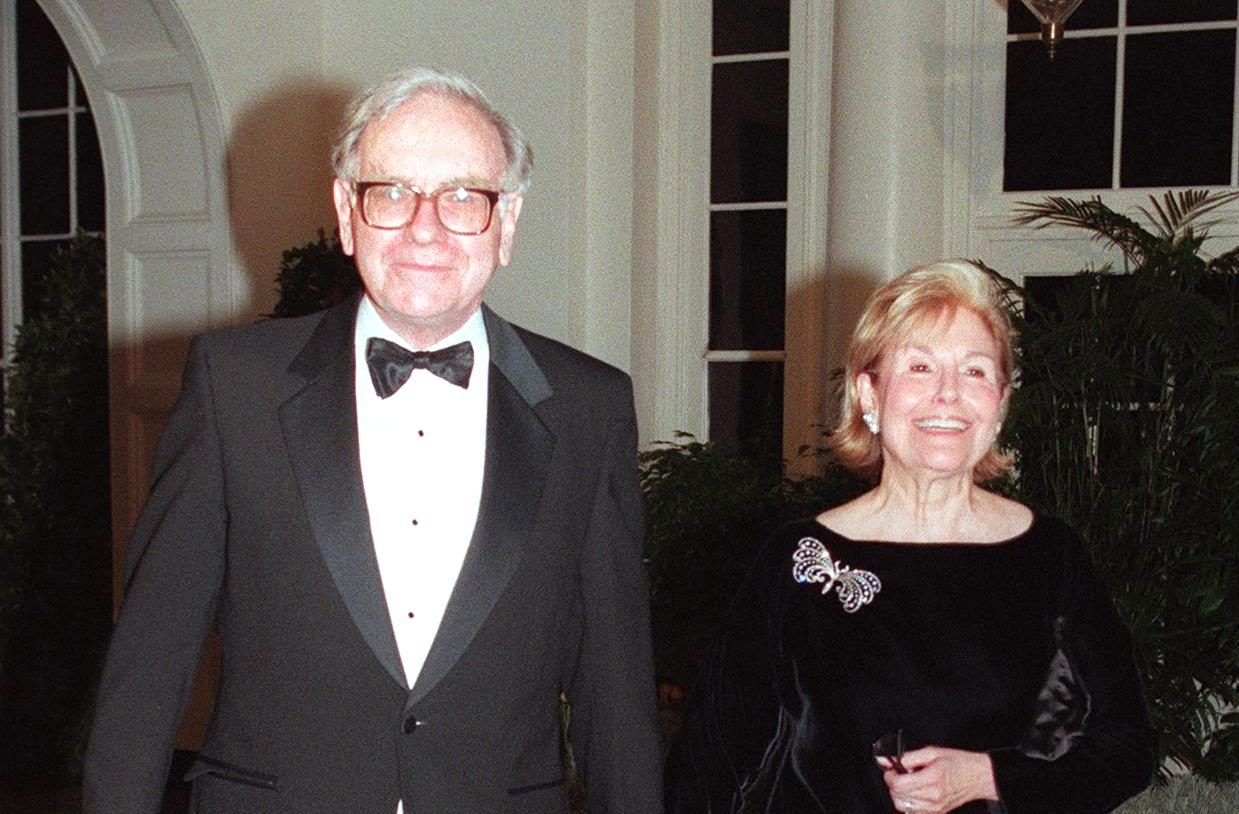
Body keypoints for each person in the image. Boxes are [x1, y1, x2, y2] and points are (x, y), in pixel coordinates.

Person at [83, 66, 662, 814]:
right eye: (391, 192)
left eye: (462, 196)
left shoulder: (589, 407)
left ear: (507, 222)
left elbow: (614, 688)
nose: (425, 227)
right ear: (346, 213)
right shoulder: (235, 387)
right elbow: (151, 661)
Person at [664, 260, 1157, 814]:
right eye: (920, 367)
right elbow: (708, 772)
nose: (948, 395)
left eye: (974, 372)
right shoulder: (802, 560)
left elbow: (1129, 748)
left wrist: (989, 776)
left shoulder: (1050, 557)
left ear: (999, 405)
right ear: (869, 395)